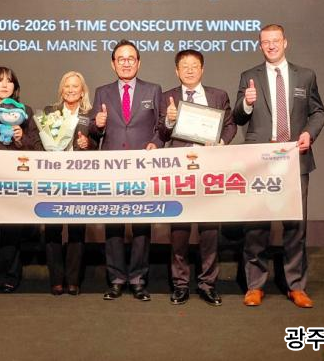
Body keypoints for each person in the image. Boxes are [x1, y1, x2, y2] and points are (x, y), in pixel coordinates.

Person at [232, 24, 324, 308]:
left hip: (294, 158)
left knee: (295, 226)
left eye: (275, 41)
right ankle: (255, 286)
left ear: (285, 42)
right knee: (256, 226)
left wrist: (309, 133)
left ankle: (296, 286)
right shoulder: (249, 76)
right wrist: (246, 104)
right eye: (265, 42)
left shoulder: (305, 75)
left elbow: (318, 112)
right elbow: (238, 117)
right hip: (260, 161)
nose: (271, 46)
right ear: (260, 45)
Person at [158, 49, 237, 306]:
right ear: (176, 71)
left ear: (202, 69)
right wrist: (169, 122)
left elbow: (230, 124)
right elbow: (161, 133)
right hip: (181, 170)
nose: (190, 70)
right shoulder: (168, 97)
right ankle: (180, 285)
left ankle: (207, 284)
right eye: (184, 66)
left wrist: (221, 142)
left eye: (194, 65)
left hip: (210, 168)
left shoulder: (218, 95)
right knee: (179, 231)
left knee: (210, 230)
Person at [90, 39, 163, 301]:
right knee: (114, 224)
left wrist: (156, 143)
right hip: (112, 166)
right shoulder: (102, 92)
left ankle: (138, 279)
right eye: (121, 59)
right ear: (113, 64)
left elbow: (161, 126)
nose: (126, 63)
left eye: (131, 58)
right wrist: (97, 124)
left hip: (143, 166)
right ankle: (116, 279)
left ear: (138, 62)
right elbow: (93, 129)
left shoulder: (153, 90)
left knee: (142, 224)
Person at [0, 66, 40, 294]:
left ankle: (9, 276)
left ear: (15, 86)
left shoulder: (25, 111)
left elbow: (37, 146)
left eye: (9, 81)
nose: (4, 85)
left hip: (15, 179)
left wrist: (22, 138)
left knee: (12, 229)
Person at [41, 71, 96, 296]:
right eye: (67, 86)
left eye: (75, 86)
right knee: (52, 229)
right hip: (54, 177)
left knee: (76, 229)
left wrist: (87, 144)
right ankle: (56, 279)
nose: (71, 90)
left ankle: (73, 280)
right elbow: (40, 142)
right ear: (61, 90)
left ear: (82, 91)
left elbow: (99, 143)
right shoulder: (49, 112)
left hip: (80, 178)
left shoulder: (90, 115)